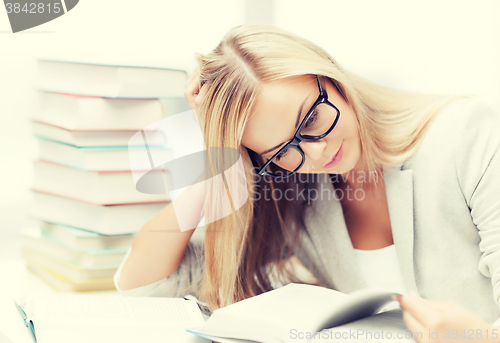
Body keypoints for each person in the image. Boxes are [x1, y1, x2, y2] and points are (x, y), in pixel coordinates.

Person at [114, 25, 500, 342]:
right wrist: (215, 152)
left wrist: (475, 336)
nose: (314, 155)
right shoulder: (295, 190)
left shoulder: (467, 135)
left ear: (331, 78)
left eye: (311, 120)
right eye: (282, 149)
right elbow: (144, 284)